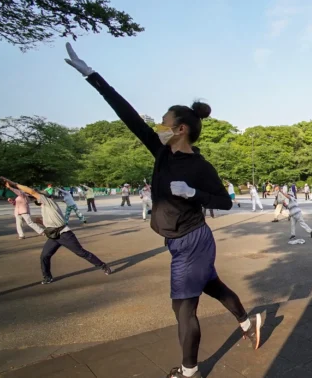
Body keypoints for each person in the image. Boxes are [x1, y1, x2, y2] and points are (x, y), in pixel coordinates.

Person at [64, 43, 262, 378]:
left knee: (184, 309)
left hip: (193, 241)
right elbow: (127, 115)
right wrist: (92, 76)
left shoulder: (200, 166)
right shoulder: (161, 152)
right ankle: (246, 321)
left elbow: (225, 201)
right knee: (211, 284)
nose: (158, 125)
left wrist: (193, 192)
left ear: (180, 128)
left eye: (164, 121)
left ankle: (189, 372)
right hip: (177, 241)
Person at [2, 176, 111, 284]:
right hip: (53, 235)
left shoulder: (49, 201)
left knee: (81, 252)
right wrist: (41, 222)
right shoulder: (44, 207)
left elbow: (30, 191)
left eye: (35, 196)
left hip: (64, 234)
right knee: (44, 256)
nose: (33, 197)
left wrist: (13, 183)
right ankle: (47, 277)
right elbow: (25, 194)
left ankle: (102, 265)